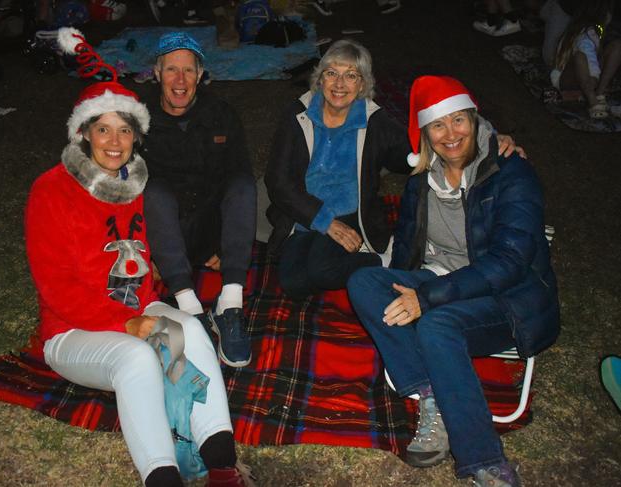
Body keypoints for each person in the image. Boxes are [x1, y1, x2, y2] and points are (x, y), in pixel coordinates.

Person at [25, 28, 251, 487]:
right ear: (84, 133)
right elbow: (56, 288)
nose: (114, 140)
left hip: (136, 310)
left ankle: (220, 461)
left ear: (135, 136)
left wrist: (154, 311)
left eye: (124, 129)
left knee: (190, 328)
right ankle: (161, 475)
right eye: (102, 128)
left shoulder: (134, 185)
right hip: (74, 330)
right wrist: (128, 323)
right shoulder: (51, 189)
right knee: (138, 359)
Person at [347, 75, 559, 487]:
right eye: (438, 125)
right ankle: (431, 394)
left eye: (459, 120)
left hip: (505, 297)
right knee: (364, 283)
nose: (450, 134)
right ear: (425, 134)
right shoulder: (421, 183)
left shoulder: (510, 172)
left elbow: (510, 262)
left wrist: (427, 298)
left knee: (436, 324)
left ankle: (484, 460)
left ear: (476, 121)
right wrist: (390, 273)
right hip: (440, 281)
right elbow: (408, 246)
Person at [264, 39, 520, 300]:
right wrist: (324, 222)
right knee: (293, 282)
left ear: (362, 84)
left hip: (352, 213)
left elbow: (416, 147)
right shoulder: (298, 115)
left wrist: (490, 138)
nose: (340, 84)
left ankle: (385, 262)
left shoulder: (373, 120)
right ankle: (347, 257)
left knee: (322, 270)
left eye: (351, 76)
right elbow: (277, 180)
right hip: (306, 214)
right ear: (320, 79)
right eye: (332, 74)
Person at [142, 32, 256, 368]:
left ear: (201, 75)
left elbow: (238, 176)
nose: (180, 80)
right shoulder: (137, 117)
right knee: (154, 189)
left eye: (189, 71)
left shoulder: (221, 114)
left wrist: (221, 243)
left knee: (244, 183)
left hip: (209, 229)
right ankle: (190, 308)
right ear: (157, 73)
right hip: (163, 234)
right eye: (171, 70)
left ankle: (230, 303)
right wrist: (140, 250)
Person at [551, 0, 621, 119]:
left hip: (587, 76)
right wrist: (594, 77)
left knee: (617, 47)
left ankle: (599, 93)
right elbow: (589, 57)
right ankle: (592, 100)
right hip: (568, 79)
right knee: (580, 57)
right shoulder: (586, 33)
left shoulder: (597, 29)